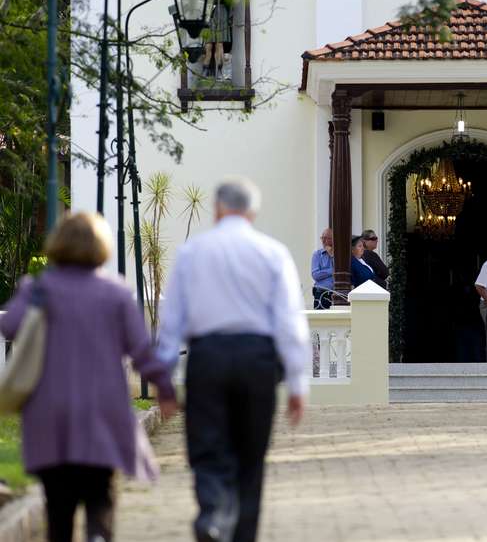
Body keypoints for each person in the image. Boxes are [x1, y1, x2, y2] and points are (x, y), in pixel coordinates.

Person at [0, 212, 177, 542]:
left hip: (48, 417)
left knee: (59, 510)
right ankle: (97, 536)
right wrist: (165, 388)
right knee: (100, 499)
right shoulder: (116, 293)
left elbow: (9, 325)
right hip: (103, 415)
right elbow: (141, 350)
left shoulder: (39, 289)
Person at [156, 179, 310, 542]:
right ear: (253, 211)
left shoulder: (193, 252)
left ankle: (212, 514)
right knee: (250, 455)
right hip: (258, 360)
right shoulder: (272, 253)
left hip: (207, 357)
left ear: (217, 208)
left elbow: (172, 320)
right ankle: (242, 533)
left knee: (209, 445)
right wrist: (298, 385)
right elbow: (290, 322)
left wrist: (163, 379)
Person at [311, 228, 334, 309]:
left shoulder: (338, 255)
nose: (324, 241)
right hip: (321, 293)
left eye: (327, 238)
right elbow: (315, 275)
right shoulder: (317, 255)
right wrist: (332, 271)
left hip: (337, 295)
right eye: (322, 238)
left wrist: (331, 255)